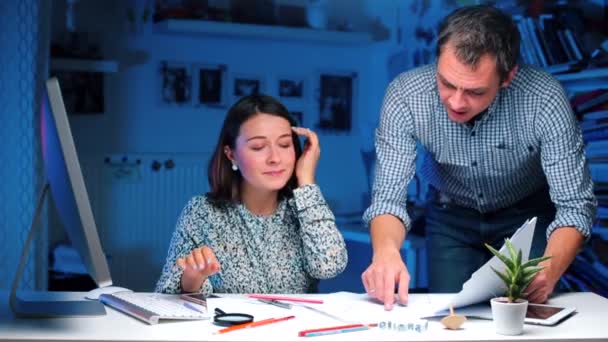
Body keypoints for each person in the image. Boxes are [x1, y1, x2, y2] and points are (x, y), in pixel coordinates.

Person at [362, 5, 596, 310]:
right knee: (452, 318)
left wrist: (549, 270)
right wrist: (385, 252)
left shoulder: (545, 100)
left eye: (475, 91)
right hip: (450, 217)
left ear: (508, 76)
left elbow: (576, 206)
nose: (457, 102)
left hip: (527, 218)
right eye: (446, 83)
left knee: (526, 317)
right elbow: (389, 198)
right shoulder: (405, 95)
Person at [156, 94, 347, 294]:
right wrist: (192, 280)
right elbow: (165, 292)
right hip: (228, 325)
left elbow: (330, 266)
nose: (275, 158)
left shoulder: (304, 208)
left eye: (284, 145)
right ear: (231, 154)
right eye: (258, 147)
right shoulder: (201, 211)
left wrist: (306, 180)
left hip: (295, 325)